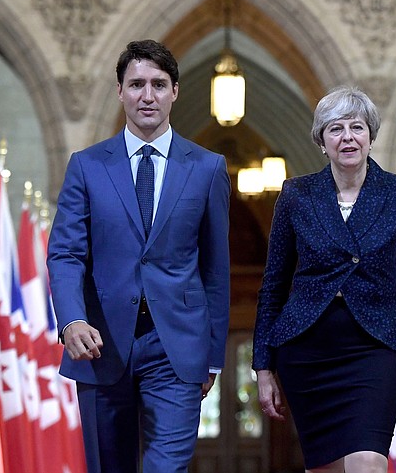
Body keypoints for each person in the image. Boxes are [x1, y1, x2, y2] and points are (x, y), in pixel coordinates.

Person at [47, 39, 231, 473]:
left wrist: (213, 355)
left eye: (158, 84)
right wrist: (71, 319)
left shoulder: (207, 168)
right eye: (136, 85)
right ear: (119, 92)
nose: (147, 96)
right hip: (101, 343)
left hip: (177, 346)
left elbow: (216, 271)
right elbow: (65, 253)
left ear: (175, 92)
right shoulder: (87, 166)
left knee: (167, 468)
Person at [253, 86, 396, 473]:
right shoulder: (296, 195)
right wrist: (263, 368)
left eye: (356, 127)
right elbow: (273, 286)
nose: (347, 137)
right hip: (307, 352)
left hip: (374, 349)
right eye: (336, 129)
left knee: (367, 463)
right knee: (324, 468)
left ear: (370, 137)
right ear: (322, 142)